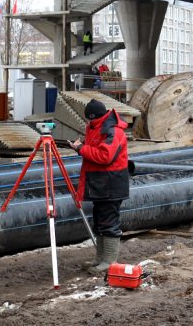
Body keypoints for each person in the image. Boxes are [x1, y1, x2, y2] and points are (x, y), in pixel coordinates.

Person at [69, 99, 129, 272]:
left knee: (109, 222)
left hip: (111, 184)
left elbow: (105, 156)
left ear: (93, 117)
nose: (86, 122)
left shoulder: (112, 131)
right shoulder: (98, 128)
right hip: (101, 184)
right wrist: (81, 147)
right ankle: (100, 258)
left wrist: (81, 149)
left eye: (88, 119)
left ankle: (109, 261)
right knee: (100, 222)